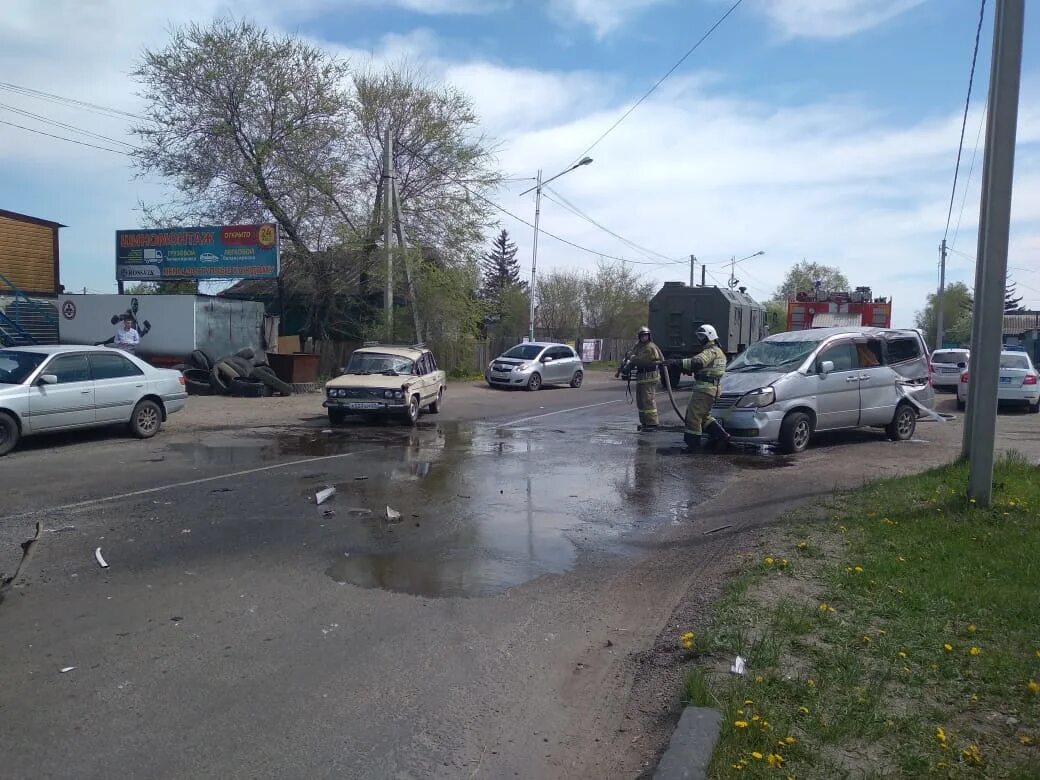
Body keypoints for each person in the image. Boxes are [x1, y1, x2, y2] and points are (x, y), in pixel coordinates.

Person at [667, 324, 730, 452]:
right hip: (711, 389)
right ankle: (721, 436)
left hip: (705, 390)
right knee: (704, 416)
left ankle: (693, 446)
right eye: (699, 336)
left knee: (693, 416)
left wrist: (676, 362)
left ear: (710, 336)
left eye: (702, 336)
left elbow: (697, 362)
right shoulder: (718, 351)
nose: (700, 339)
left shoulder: (711, 351)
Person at [618, 326, 664, 431]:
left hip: (649, 376)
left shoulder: (650, 347)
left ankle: (652, 423)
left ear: (649, 336)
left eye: (646, 335)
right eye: (642, 336)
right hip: (641, 377)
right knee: (641, 401)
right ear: (640, 336)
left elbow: (642, 360)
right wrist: (627, 366)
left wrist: (632, 359)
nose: (644, 337)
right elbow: (631, 355)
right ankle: (645, 422)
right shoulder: (638, 346)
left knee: (648, 400)